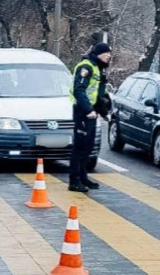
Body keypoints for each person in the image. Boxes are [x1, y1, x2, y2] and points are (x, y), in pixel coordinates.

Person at [68, 42, 113, 193]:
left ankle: (83, 177)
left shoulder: (98, 69)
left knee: (88, 148)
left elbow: (98, 94)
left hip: (91, 112)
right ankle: (74, 181)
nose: (109, 56)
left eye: (109, 53)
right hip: (82, 112)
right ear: (99, 54)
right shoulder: (86, 67)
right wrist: (88, 110)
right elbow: (78, 90)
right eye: (106, 53)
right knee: (79, 148)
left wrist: (105, 113)